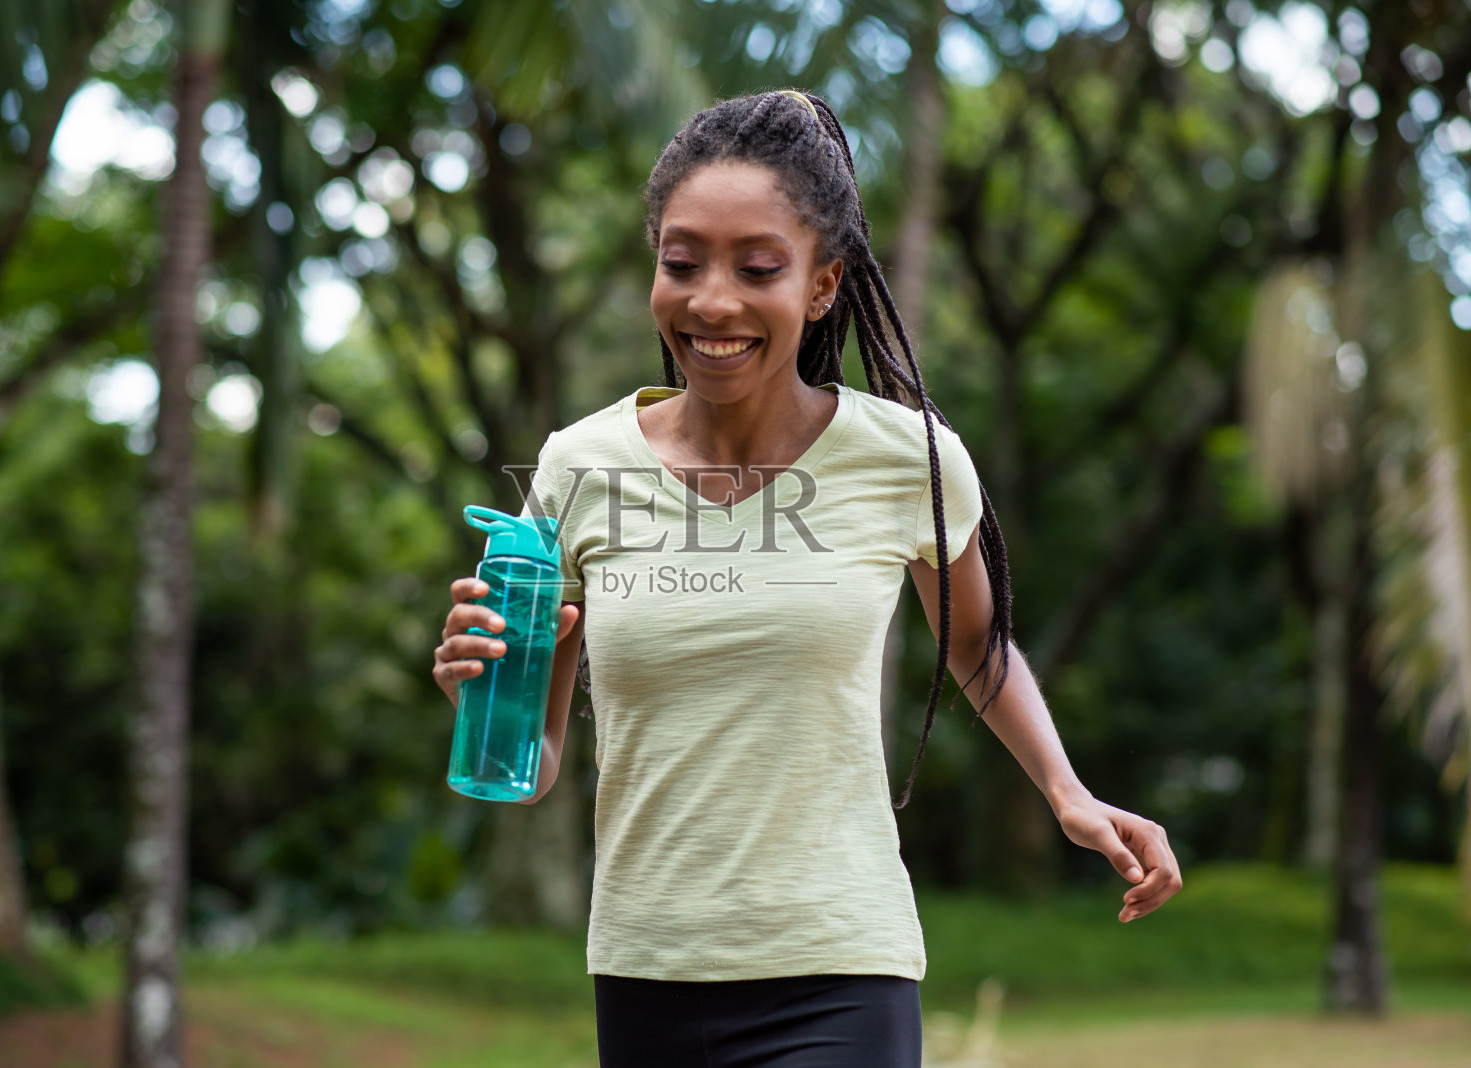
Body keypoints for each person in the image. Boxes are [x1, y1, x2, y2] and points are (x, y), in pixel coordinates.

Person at [432, 89, 1182, 1068]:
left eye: (758, 268)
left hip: (840, 966)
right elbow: (529, 763)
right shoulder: (578, 468)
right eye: (681, 261)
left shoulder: (906, 455)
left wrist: (1065, 791)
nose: (710, 300)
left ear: (822, 286)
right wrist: (481, 689)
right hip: (645, 969)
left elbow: (975, 641)